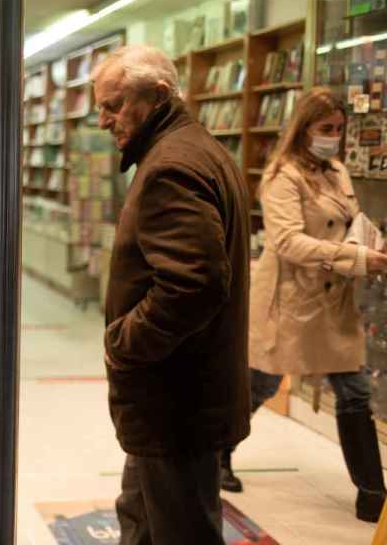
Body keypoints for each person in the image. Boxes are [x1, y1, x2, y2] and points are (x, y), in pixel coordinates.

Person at [92, 45, 252, 544]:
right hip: (171, 400)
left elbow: (194, 284)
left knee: (182, 531)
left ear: (158, 96)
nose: (103, 121)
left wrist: (123, 343)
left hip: (177, 402)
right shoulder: (197, 147)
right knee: (141, 519)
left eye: (114, 105)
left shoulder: (171, 167)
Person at [221, 87, 387, 522]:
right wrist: (355, 258)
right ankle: (218, 453)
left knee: (354, 392)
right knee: (260, 384)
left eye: (339, 129)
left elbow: (348, 222)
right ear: (304, 128)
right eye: (325, 128)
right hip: (289, 302)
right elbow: (287, 241)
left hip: (332, 301)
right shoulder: (282, 175)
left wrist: (367, 243)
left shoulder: (336, 170)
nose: (333, 136)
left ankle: (373, 495)